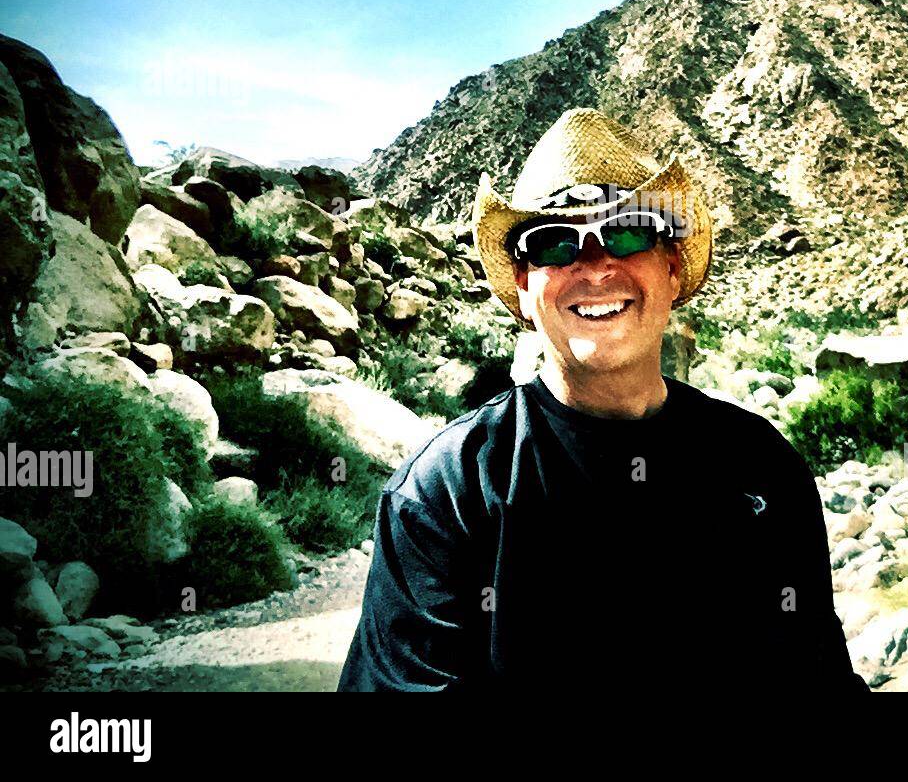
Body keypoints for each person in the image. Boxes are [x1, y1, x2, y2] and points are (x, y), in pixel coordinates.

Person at [337, 108, 870, 696]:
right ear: (523, 282)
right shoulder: (446, 491)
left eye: (629, 230)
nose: (594, 266)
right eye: (555, 243)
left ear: (671, 266)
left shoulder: (762, 466)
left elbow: (816, 674)